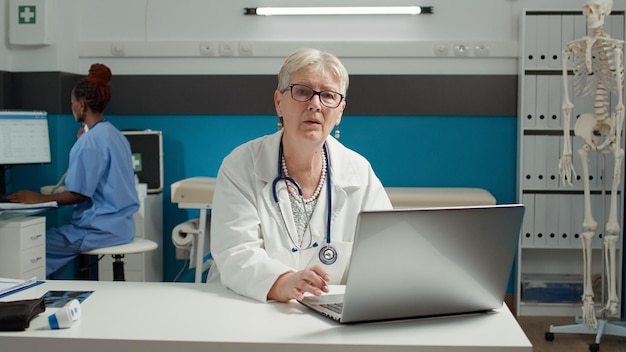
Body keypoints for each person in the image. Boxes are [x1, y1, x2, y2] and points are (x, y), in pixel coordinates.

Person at [207, 48, 392, 302]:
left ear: (339, 112)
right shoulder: (242, 165)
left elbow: (385, 250)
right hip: (247, 308)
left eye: (328, 96)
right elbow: (235, 252)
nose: (315, 104)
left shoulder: (359, 173)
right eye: (302, 91)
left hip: (328, 314)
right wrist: (282, 282)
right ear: (279, 102)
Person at [9, 63, 139, 278]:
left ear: (81, 105)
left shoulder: (89, 142)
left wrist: (38, 198)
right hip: (122, 227)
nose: (71, 109)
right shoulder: (114, 135)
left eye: (71, 104)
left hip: (98, 231)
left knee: (30, 250)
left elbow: (79, 194)